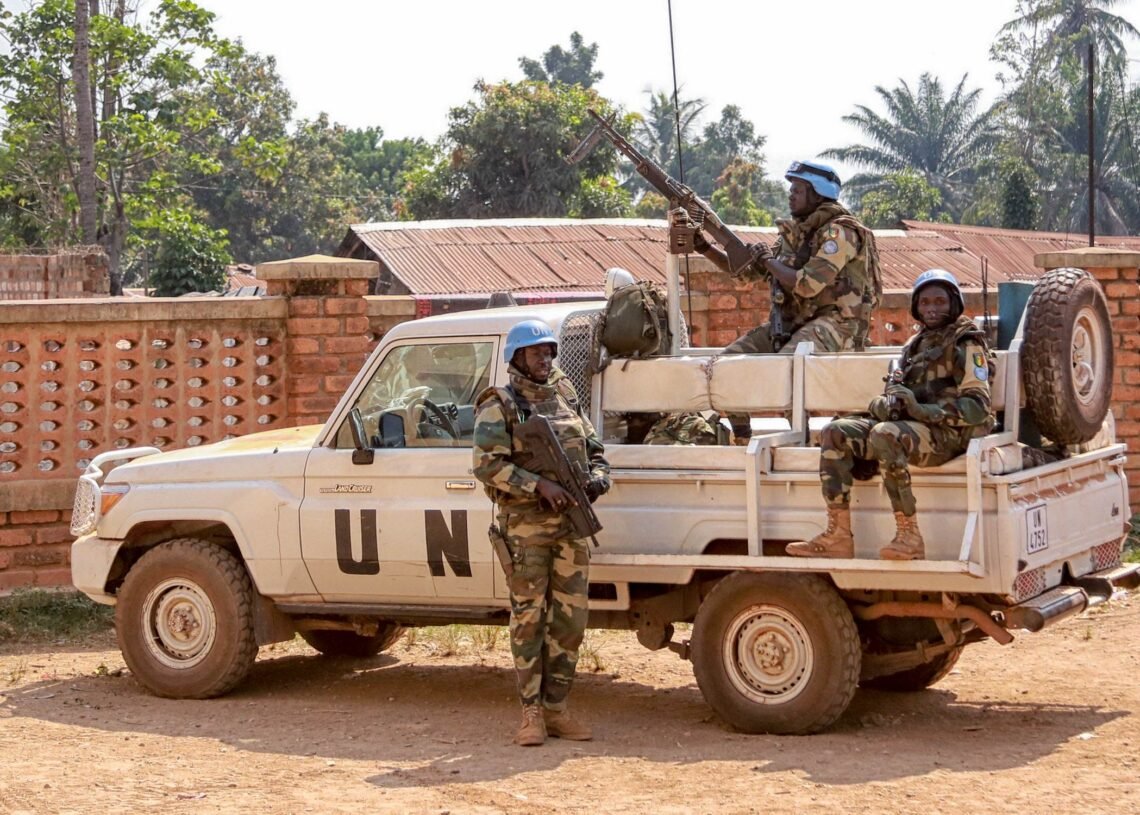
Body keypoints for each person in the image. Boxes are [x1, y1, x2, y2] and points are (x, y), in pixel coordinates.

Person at [786, 269, 996, 560]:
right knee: (836, 432)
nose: (932, 309)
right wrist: (886, 404)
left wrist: (921, 409)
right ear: (916, 307)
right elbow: (897, 388)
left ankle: (909, 535)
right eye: (925, 303)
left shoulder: (967, 343)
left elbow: (977, 408)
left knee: (885, 434)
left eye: (940, 302)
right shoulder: (914, 346)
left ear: (954, 303)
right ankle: (838, 535)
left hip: (949, 434)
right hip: (913, 426)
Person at [472, 319, 611, 746]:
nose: (545, 358)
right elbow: (487, 466)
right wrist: (539, 485)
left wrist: (598, 478)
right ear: (516, 358)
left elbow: (595, 450)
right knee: (529, 620)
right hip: (526, 531)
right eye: (535, 353)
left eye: (548, 351)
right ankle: (531, 713)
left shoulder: (566, 395)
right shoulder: (501, 405)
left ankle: (556, 708)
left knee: (570, 620)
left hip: (571, 528)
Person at [693, 160, 881, 356]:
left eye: (797, 191)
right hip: (795, 323)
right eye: (791, 191)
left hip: (838, 325)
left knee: (786, 366)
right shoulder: (795, 236)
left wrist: (767, 259)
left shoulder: (841, 233)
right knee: (728, 363)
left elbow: (807, 285)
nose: (790, 196)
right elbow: (747, 274)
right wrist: (704, 247)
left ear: (817, 195)